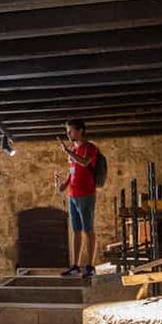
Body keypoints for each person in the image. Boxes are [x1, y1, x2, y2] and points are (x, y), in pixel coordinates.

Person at [54, 119, 98, 279]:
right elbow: (72, 170)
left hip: (86, 194)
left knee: (88, 230)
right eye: (67, 131)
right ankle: (75, 266)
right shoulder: (73, 149)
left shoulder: (90, 148)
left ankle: (90, 266)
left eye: (70, 130)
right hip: (72, 195)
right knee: (76, 231)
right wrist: (63, 185)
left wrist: (67, 151)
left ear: (80, 131)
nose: (68, 134)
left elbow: (85, 162)